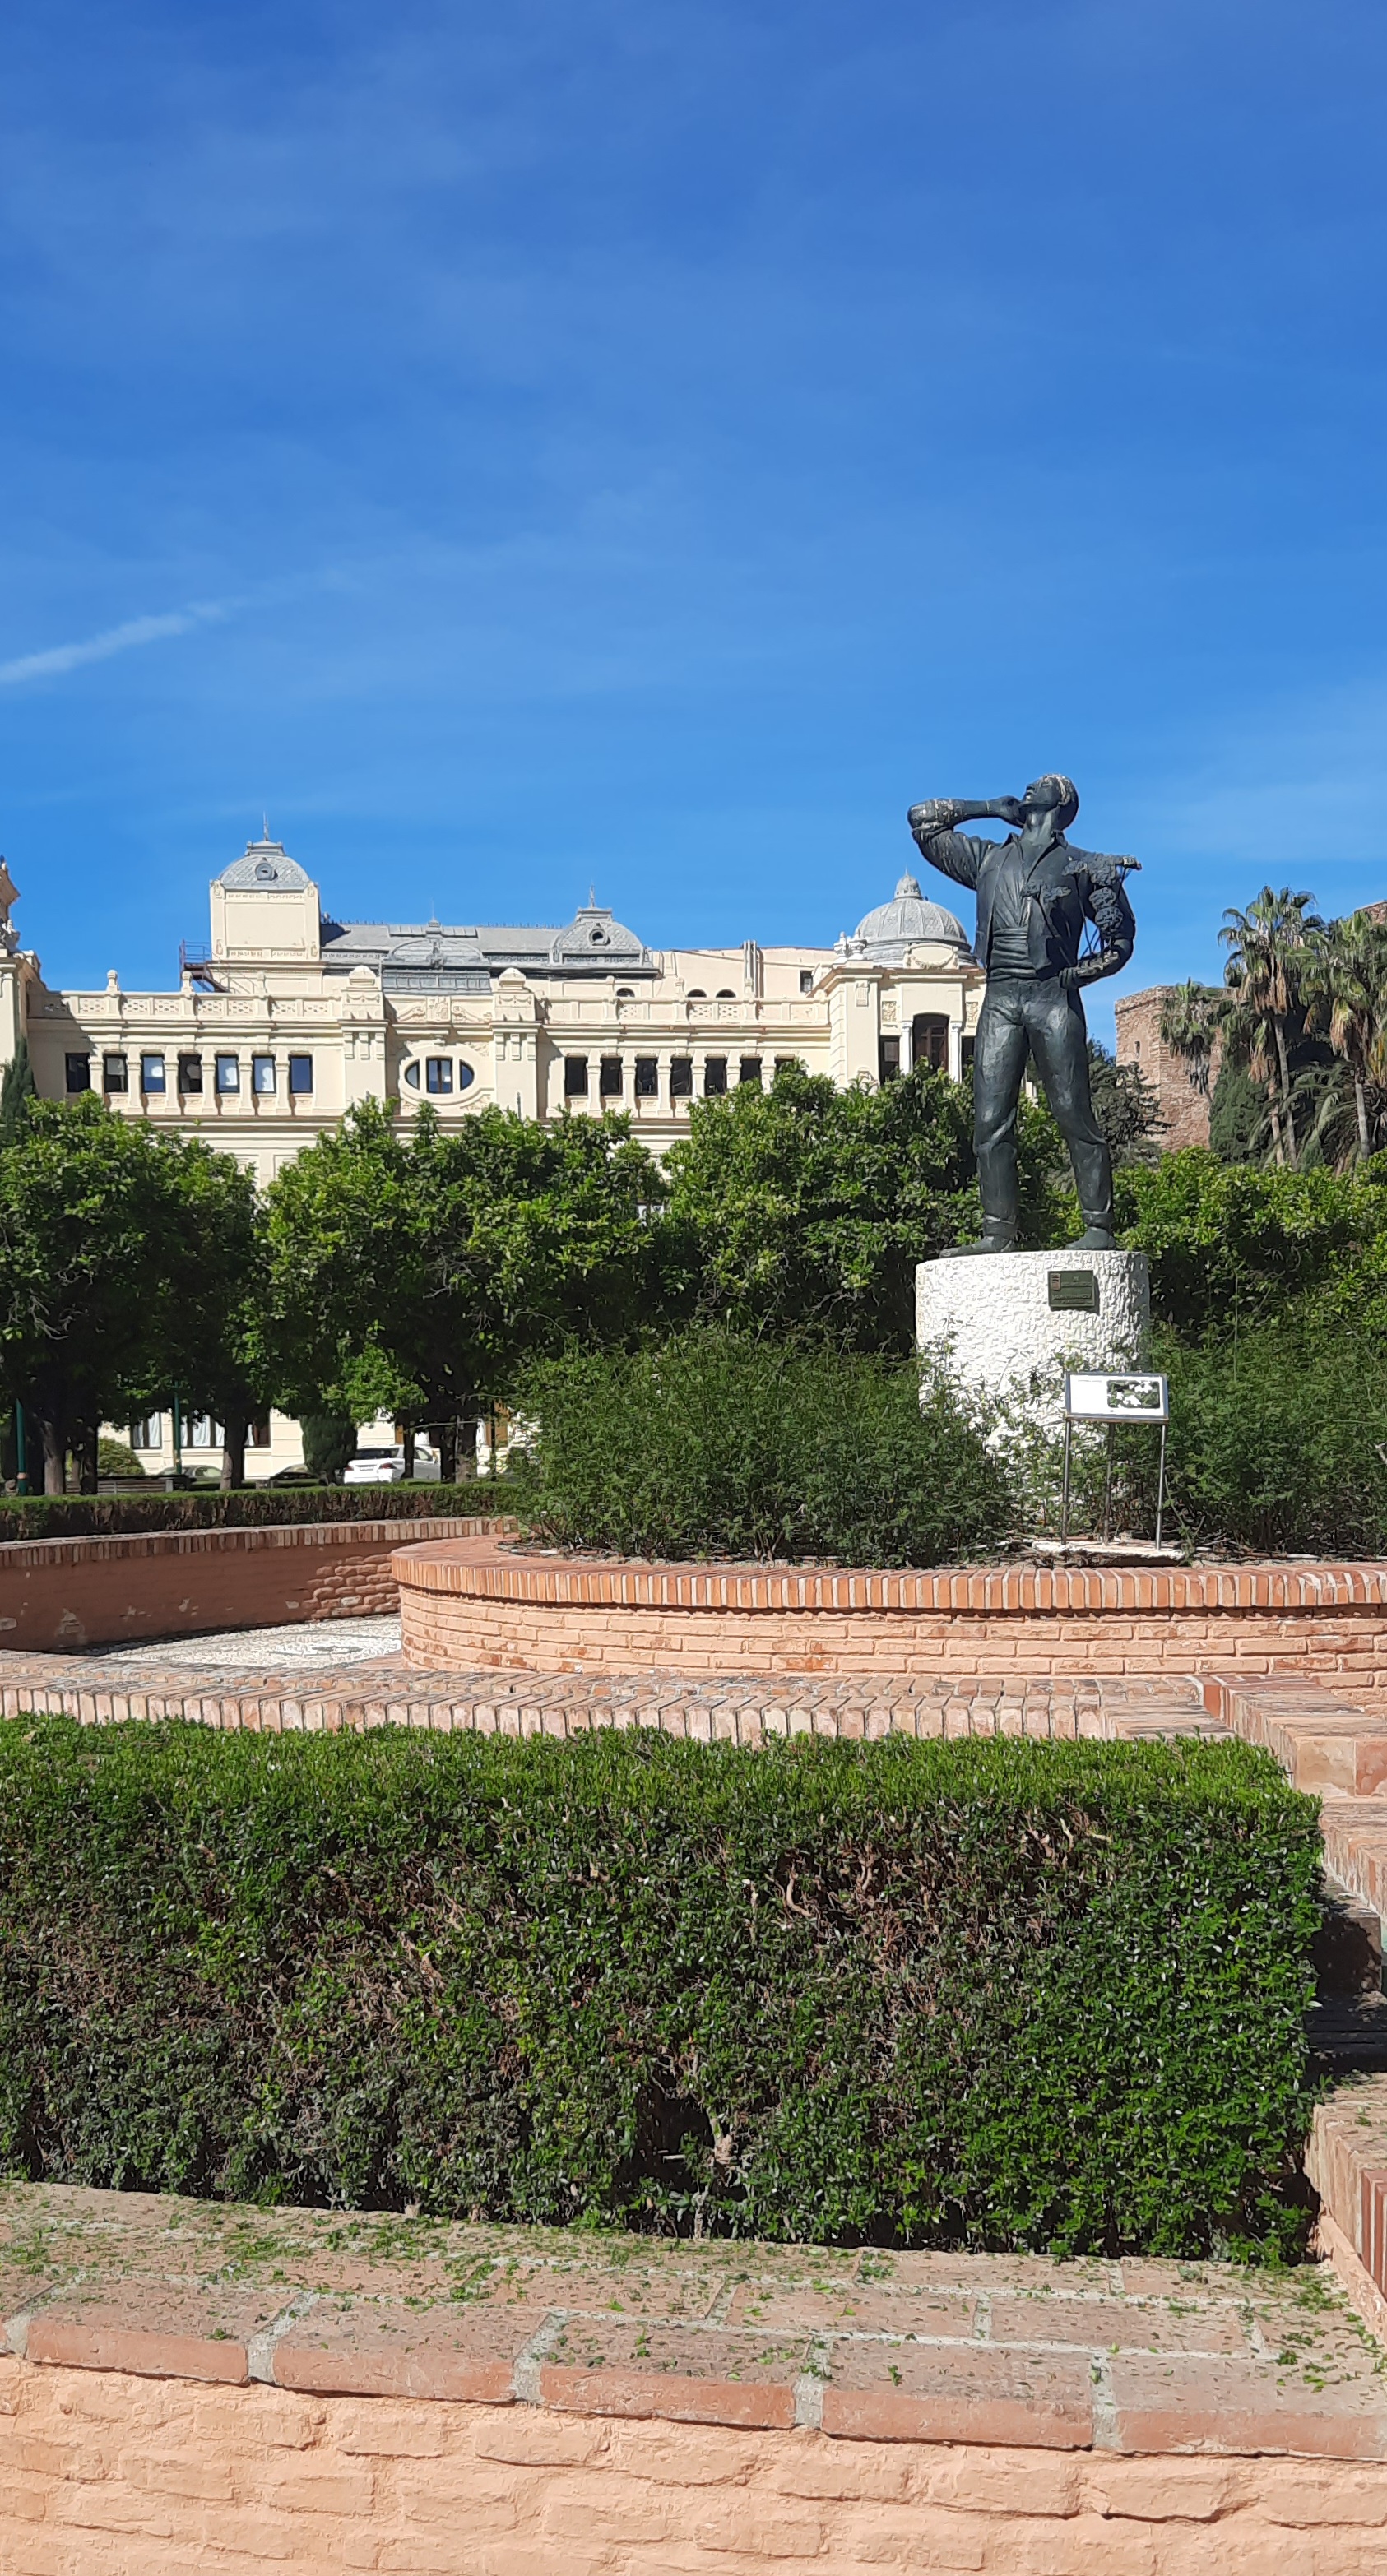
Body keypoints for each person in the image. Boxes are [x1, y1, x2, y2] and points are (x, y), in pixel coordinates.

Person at [907, 774, 1136, 1252]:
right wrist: (990, 807)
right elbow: (922, 821)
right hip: (1000, 998)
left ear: (1063, 802)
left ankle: (1098, 1227)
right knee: (990, 1120)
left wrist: (1079, 975)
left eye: (1044, 784)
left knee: (1074, 1113)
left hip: (1053, 997)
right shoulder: (989, 859)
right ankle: (998, 1233)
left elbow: (1119, 942)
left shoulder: (1083, 865)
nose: (1031, 787)